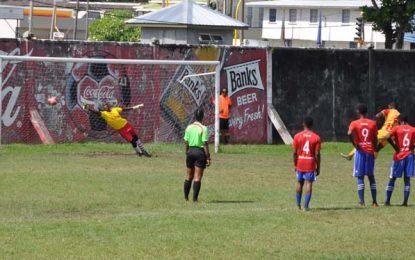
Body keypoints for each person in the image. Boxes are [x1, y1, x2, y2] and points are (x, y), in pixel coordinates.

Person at [84, 103, 151, 157]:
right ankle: (139, 152)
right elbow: (96, 112)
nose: (104, 107)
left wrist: (134, 107)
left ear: (108, 106)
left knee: (135, 137)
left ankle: (144, 151)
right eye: (103, 106)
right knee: (132, 141)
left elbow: (124, 109)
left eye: (105, 105)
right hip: (121, 130)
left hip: (127, 125)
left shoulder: (115, 109)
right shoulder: (104, 113)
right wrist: (89, 108)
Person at [348, 103, 378, 207]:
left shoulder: (354, 123)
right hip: (370, 152)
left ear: (358, 112)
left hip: (360, 152)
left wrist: (355, 145)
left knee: (360, 177)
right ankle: (374, 202)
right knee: (371, 176)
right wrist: (374, 150)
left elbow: (349, 133)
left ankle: (362, 202)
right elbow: (375, 139)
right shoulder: (373, 123)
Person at [384, 114, 415, 206]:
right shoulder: (413, 129)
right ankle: (405, 202)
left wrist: (396, 148)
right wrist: (412, 147)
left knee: (392, 178)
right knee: (407, 179)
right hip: (409, 155)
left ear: (402, 121)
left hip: (399, 156)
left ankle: (387, 201)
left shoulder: (397, 128)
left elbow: (387, 136)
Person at [292, 116, 321, 210]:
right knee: (309, 183)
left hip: (300, 161)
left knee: (299, 183)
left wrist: (295, 164)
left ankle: (297, 205)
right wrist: (318, 167)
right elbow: (317, 154)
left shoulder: (297, 136)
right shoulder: (316, 137)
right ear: (312, 125)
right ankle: (306, 206)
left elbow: (294, 153)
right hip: (310, 162)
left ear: (303, 124)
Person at [183, 109, 211, 202]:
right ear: (202, 117)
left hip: (190, 151)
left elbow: (186, 142)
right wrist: (208, 157)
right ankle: (195, 199)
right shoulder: (203, 128)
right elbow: (205, 143)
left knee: (188, 176)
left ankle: (186, 198)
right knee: (197, 177)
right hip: (199, 152)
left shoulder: (188, 127)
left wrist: (187, 152)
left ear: (194, 116)